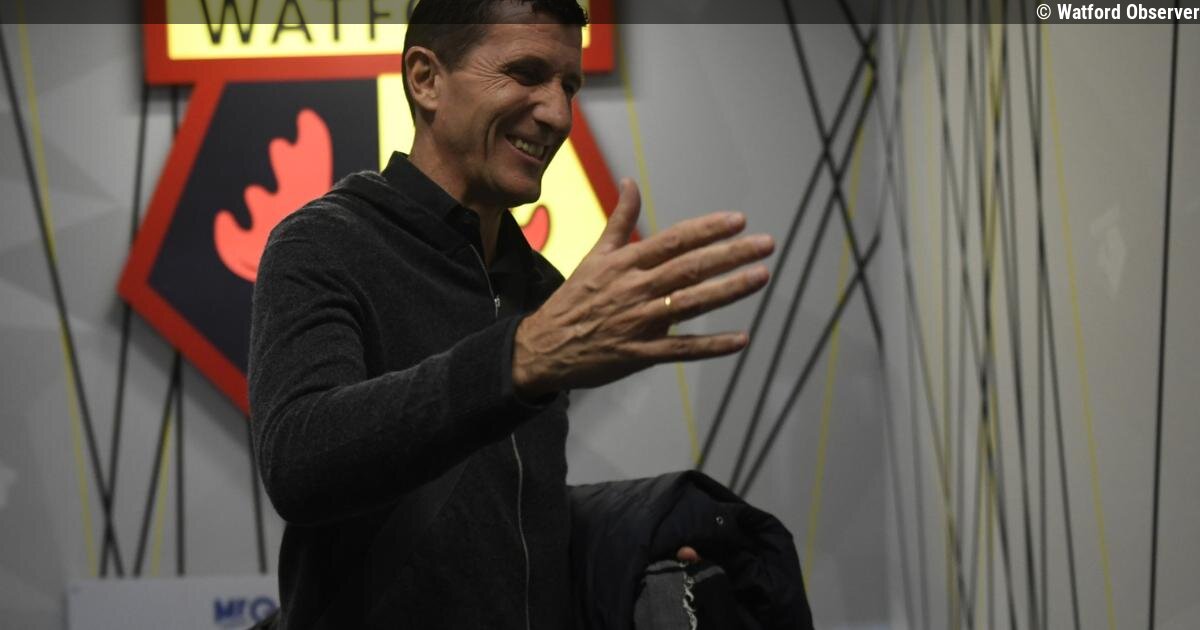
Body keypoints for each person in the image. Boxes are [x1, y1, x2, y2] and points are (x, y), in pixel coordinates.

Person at [248, 0, 775, 627]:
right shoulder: (322, 243)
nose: (557, 114)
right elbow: (298, 462)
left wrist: (630, 548)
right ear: (426, 79)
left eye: (569, 86)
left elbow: (500, 521)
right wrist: (519, 360)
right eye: (526, 74)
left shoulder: (542, 287)